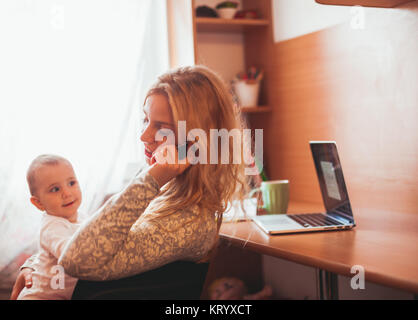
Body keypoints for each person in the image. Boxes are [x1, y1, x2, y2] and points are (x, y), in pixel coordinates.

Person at [11, 65, 251, 299]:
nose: (144, 135)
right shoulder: (162, 189)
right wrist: (35, 266)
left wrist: (153, 178)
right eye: (145, 119)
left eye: (161, 127)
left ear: (196, 142)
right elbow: (88, 232)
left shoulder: (187, 221)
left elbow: (77, 258)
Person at [16, 154, 82, 300]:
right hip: (39, 296)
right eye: (55, 189)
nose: (67, 193)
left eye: (71, 183)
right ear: (38, 203)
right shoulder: (51, 226)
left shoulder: (84, 218)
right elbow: (72, 255)